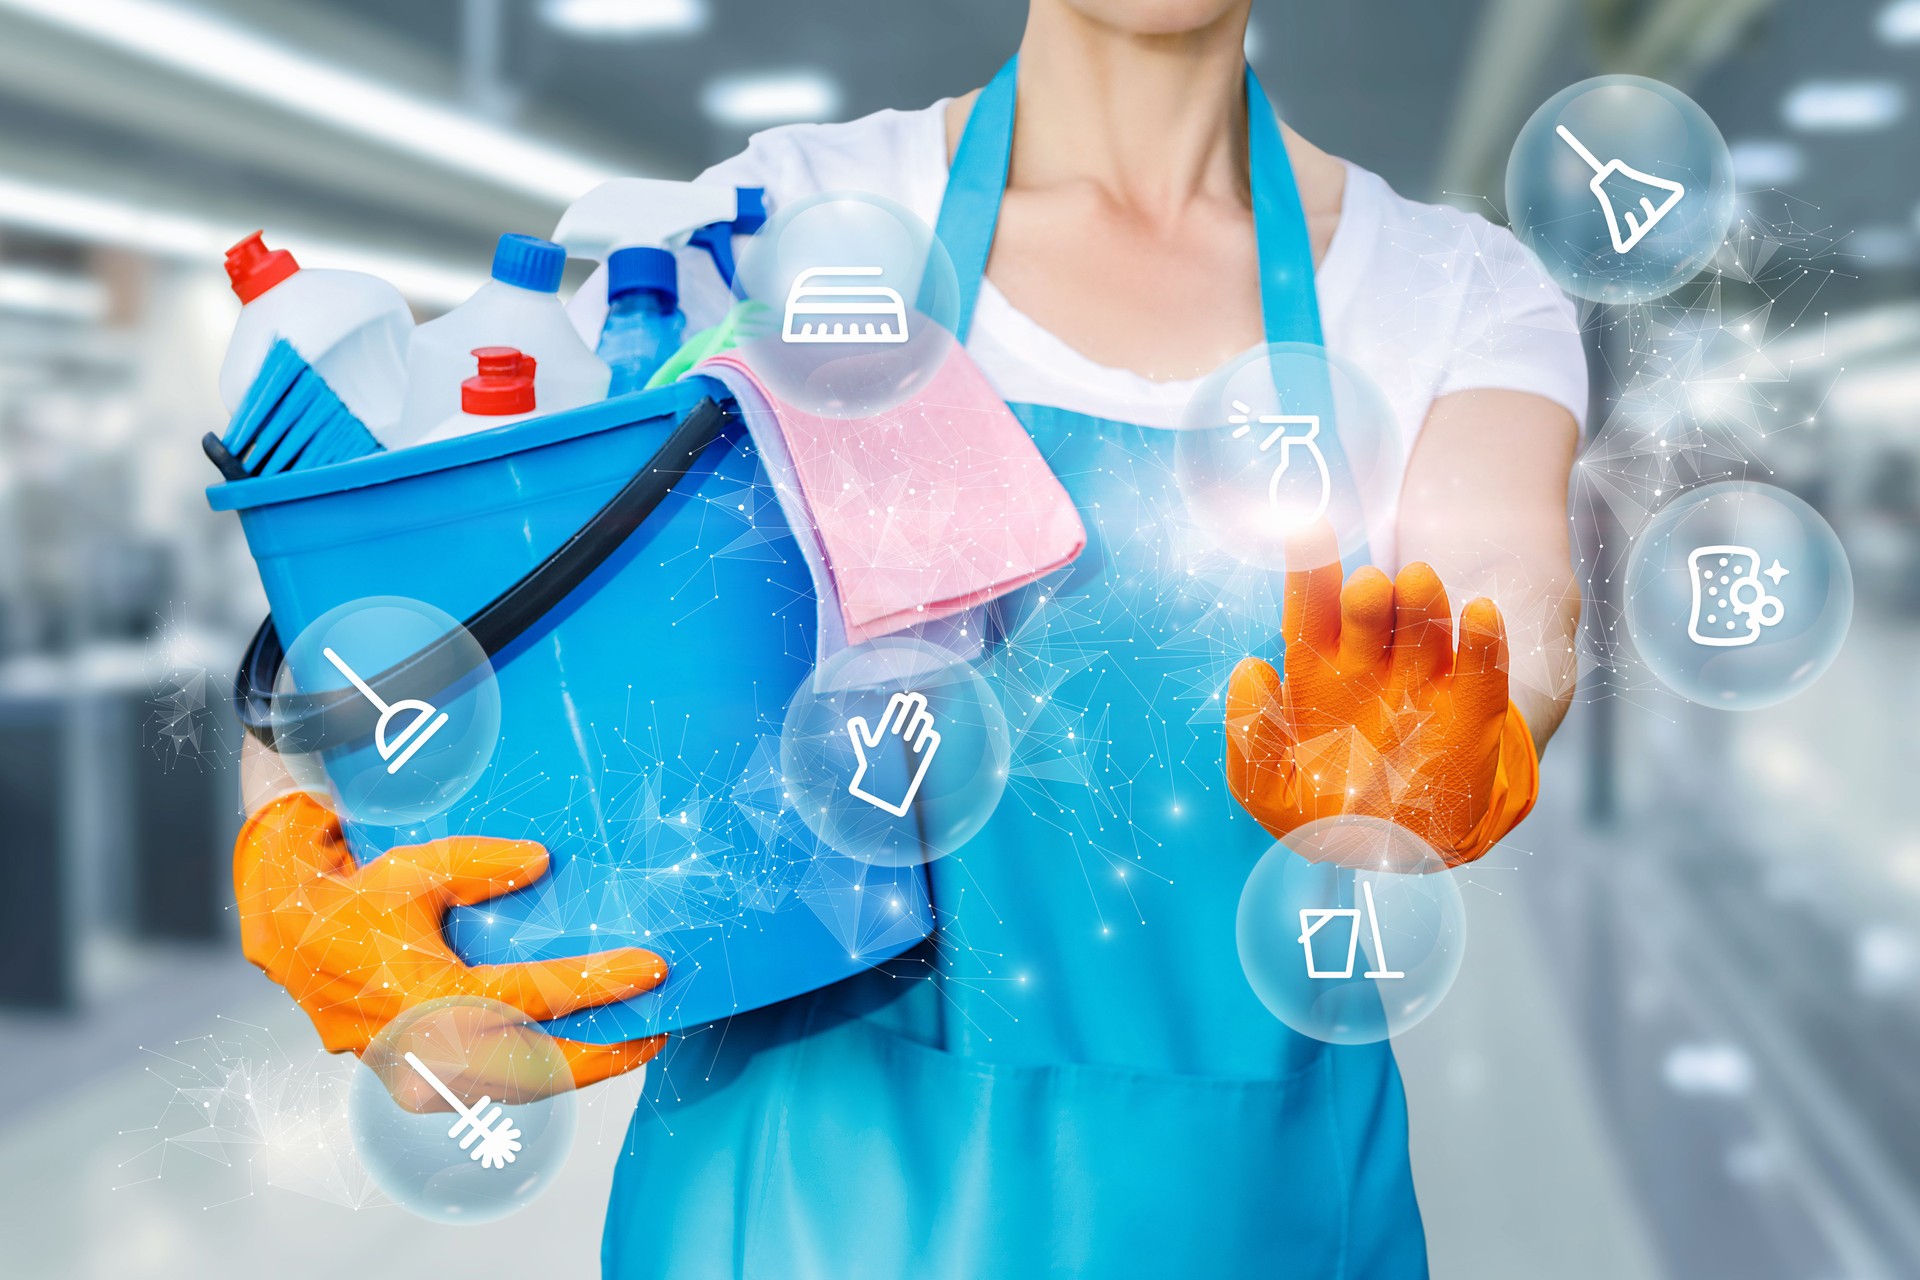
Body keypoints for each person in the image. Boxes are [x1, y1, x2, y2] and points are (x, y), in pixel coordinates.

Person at [233, 1, 1584, 1275]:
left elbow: (1511, 582)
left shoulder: (1448, 292)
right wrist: (295, 847)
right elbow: (422, 566)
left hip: (1244, 1218)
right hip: (785, 1207)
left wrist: (1463, 729)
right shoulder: (776, 231)